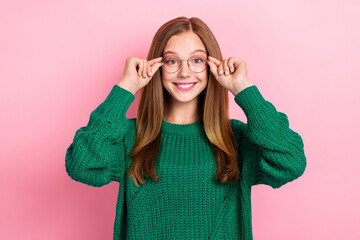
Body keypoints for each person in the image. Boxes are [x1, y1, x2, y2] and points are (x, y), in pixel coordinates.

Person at [65, 16, 307, 240]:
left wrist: (243, 89)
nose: (184, 72)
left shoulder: (236, 138)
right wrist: (126, 87)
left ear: (212, 66)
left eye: (197, 60)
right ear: (157, 67)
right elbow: (82, 166)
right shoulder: (129, 137)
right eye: (172, 61)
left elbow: (291, 162)